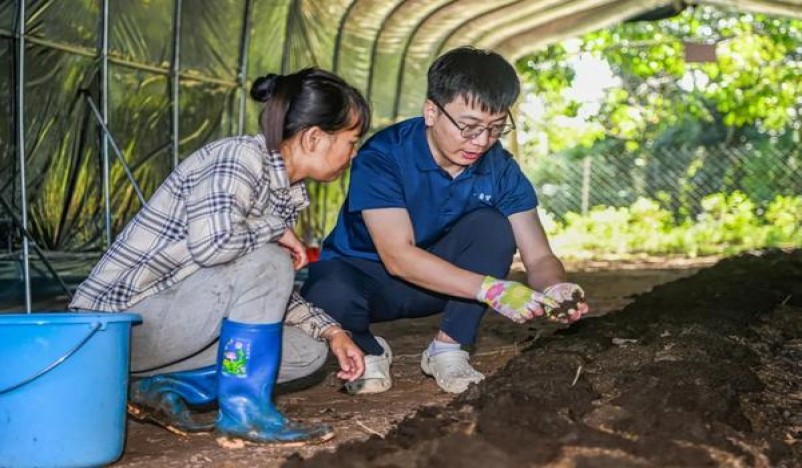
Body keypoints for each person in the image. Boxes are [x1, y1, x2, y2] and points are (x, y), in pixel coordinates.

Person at [69, 68, 370, 445]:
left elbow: (258, 292)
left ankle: (159, 386)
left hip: (169, 326)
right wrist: (273, 229)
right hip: (113, 330)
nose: (353, 153)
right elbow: (214, 246)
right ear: (313, 138)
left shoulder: (283, 192)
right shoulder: (238, 158)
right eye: (352, 140)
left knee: (307, 352)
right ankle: (247, 413)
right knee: (271, 261)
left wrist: (331, 330)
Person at [301, 47, 590, 396]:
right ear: (431, 112)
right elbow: (397, 257)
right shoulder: (383, 156)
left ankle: (448, 349)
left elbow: (539, 257)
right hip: (367, 279)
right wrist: (491, 290)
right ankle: (368, 349)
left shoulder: (500, 168)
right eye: (468, 127)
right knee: (324, 288)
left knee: (493, 227)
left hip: (443, 283)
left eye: (495, 128)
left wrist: (556, 288)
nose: (481, 142)